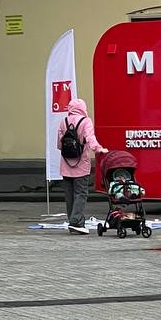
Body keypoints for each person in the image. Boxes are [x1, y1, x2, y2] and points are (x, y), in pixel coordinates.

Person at [58, 96, 108, 234]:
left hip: (65, 164)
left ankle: (73, 221)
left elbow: (59, 145)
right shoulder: (86, 121)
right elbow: (90, 138)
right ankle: (76, 221)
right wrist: (99, 149)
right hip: (81, 164)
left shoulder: (63, 121)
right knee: (81, 193)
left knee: (69, 195)